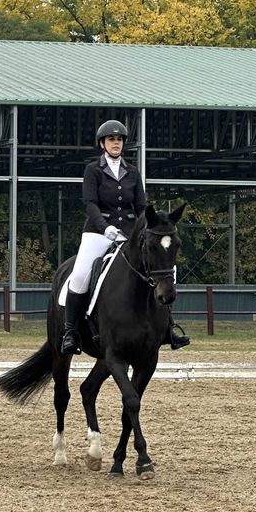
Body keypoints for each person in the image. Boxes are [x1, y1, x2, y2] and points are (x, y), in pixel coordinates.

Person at [60, 119, 190, 355]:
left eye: (119, 139)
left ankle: (168, 327)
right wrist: (104, 227)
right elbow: (90, 204)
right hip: (98, 231)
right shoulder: (93, 170)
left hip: (130, 233)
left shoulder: (132, 171)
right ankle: (71, 332)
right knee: (79, 276)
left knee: (163, 269)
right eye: (111, 139)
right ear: (103, 144)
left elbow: (141, 206)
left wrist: (145, 229)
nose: (116, 143)